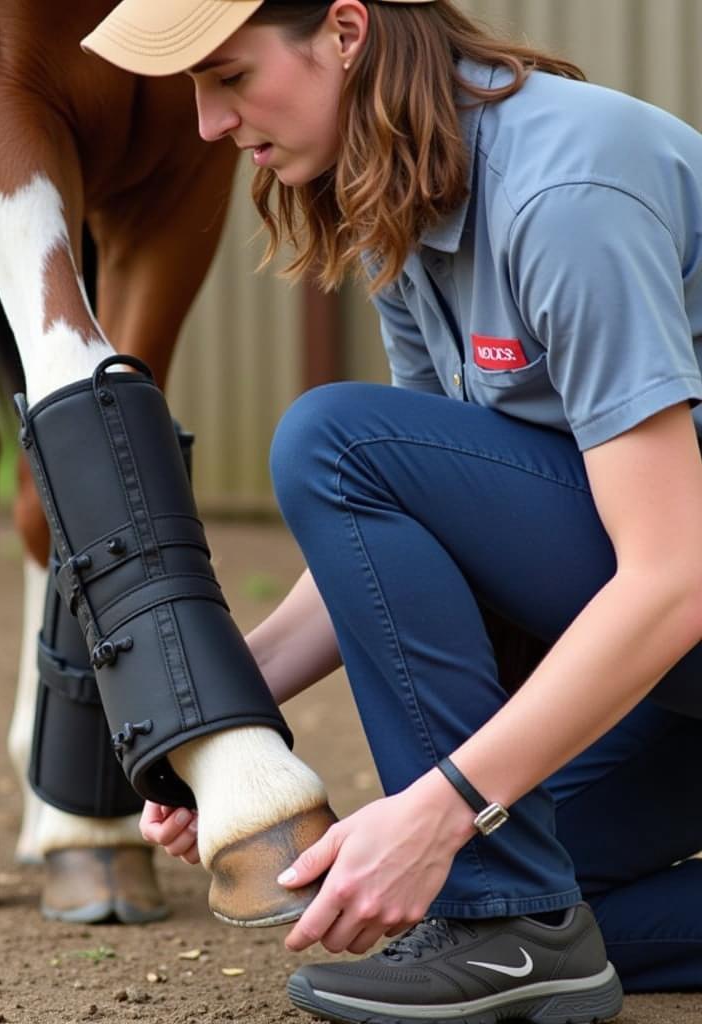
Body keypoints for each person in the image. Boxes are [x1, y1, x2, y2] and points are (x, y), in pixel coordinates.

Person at [81, 1, 702, 1021]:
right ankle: (514, 928)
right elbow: (412, 521)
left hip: (674, 605)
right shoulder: (411, 200)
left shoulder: (564, 192)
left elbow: (668, 578)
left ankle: (504, 929)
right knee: (539, 886)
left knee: (329, 437)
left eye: (230, 77)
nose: (206, 125)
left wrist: (442, 808)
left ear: (344, 31)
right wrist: (225, 723)